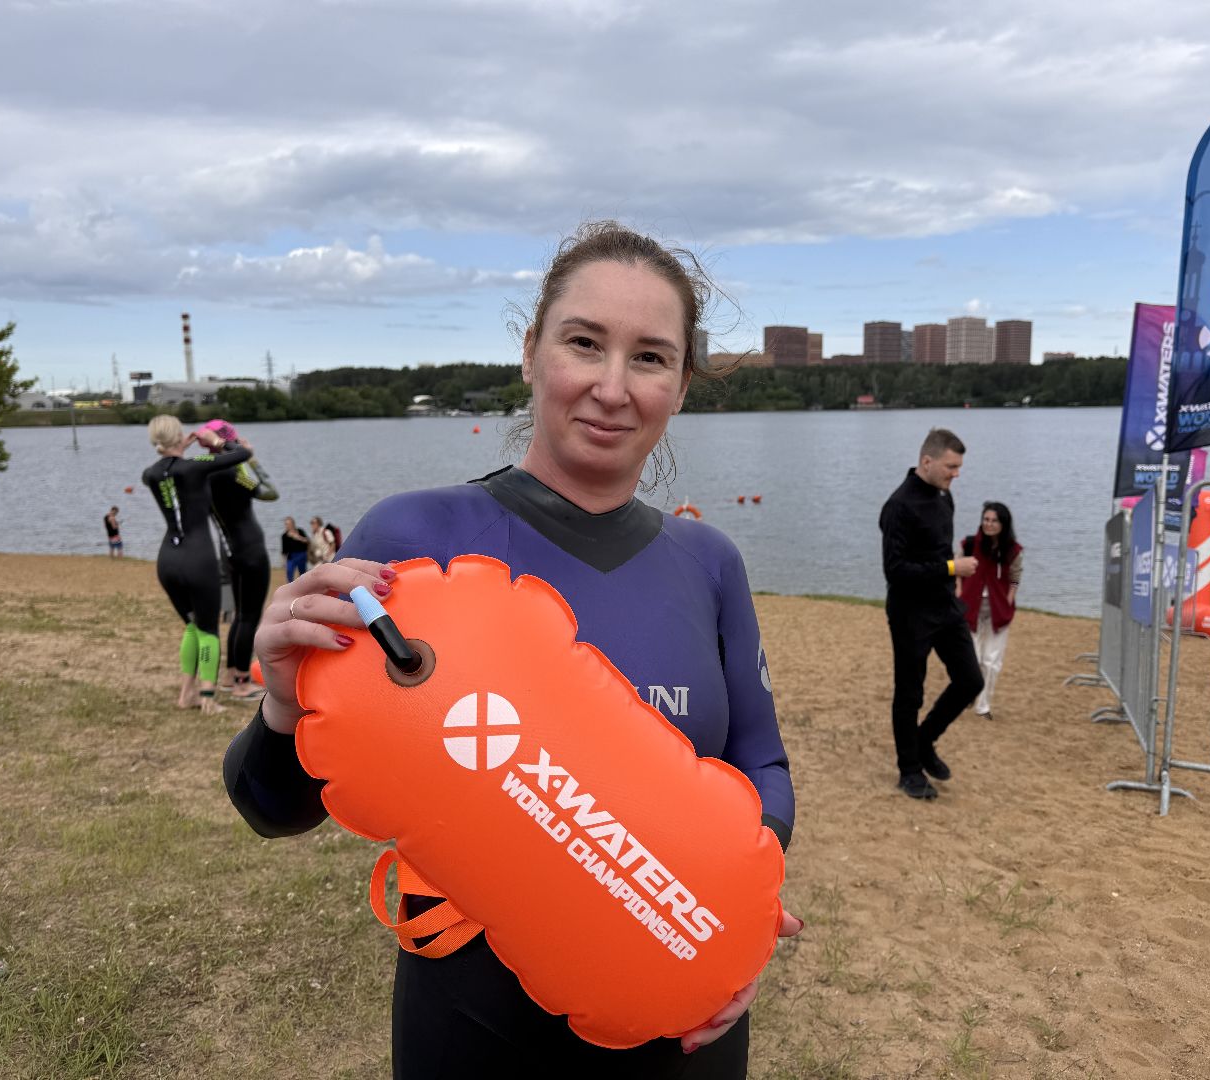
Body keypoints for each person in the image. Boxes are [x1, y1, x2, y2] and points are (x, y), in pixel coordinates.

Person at [223, 221, 799, 1077]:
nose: (611, 386)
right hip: (471, 1026)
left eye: (649, 357)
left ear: (681, 385)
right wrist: (280, 703)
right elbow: (275, 807)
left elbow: (762, 767)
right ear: (531, 353)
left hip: (681, 1023)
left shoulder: (709, 562)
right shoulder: (414, 541)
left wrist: (733, 916)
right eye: (584, 343)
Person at [879, 428, 984, 801]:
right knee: (910, 693)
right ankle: (909, 770)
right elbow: (896, 570)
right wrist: (953, 568)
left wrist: (950, 575)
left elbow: (939, 553)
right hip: (910, 613)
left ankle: (924, 741)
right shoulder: (898, 506)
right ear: (927, 461)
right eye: (951, 466)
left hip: (945, 608)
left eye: (958, 467)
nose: (956, 473)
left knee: (971, 681)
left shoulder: (944, 498)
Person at [141, 415, 252, 714]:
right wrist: (217, 442)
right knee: (209, 631)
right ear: (180, 437)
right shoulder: (195, 467)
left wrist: (181, 447)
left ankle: (185, 694)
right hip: (198, 559)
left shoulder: (150, 474)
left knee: (193, 626)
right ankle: (207, 699)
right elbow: (242, 453)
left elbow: (172, 471)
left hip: (168, 560)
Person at [199, 419, 272, 699]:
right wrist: (250, 458)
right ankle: (242, 681)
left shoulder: (202, 472)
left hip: (229, 551)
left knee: (239, 616)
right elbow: (269, 491)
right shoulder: (234, 471)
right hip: (250, 549)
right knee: (249, 616)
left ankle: (230, 676)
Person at [958, 502, 1023, 719]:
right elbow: (957, 570)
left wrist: (1009, 598)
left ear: (1003, 524)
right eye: (986, 519)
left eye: (994, 520)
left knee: (991, 661)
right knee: (972, 658)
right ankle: (969, 693)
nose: (989, 524)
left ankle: (983, 706)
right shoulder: (968, 544)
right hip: (970, 609)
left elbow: (1015, 576)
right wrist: (958, 592)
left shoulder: (1012, 550)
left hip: (998, 611)